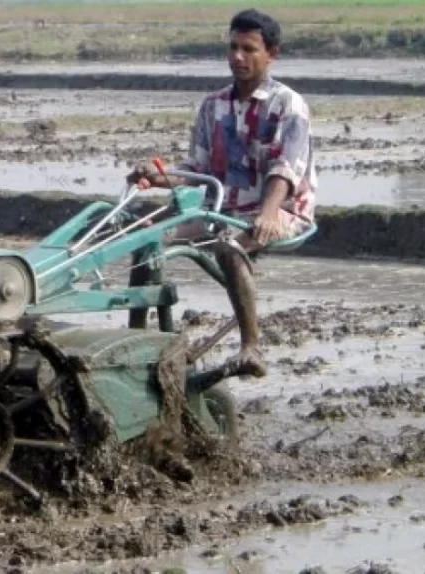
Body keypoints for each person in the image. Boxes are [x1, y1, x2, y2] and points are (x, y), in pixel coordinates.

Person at [127, 8, 317, 379]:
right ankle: (134, 338)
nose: (238, 57)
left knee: (229, 246)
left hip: (281, 210)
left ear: (271, 54)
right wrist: (156, 175)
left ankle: (251, 348)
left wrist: (267, 213)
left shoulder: (288, 105)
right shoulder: (213, 106)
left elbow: (285, 170)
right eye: (233, 47)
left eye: (248, 48)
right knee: (146, 239)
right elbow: (196, 171)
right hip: (221, 209)